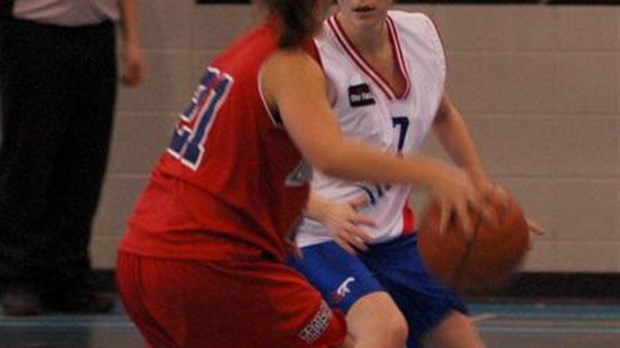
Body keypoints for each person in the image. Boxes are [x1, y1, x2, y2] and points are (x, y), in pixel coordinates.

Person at [114, 0, 492, 347]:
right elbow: (330, 156)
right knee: (353, 337)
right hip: (210, 259)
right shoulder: (292, 62)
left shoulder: (246, 50)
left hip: (142, 255)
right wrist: (434, 173)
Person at [290, 1, 542, 348]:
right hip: (316, 236)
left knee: (460, 337)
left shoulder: (418, 36)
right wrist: (322, 209)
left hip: (389, 237)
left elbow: (443, 114)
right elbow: (267, 169)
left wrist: (480, 188)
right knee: (386, 329)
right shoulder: (312, 59)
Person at [0, 0, 144, 316]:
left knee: (84, 163)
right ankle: (19, 276)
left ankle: (67, 277)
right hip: (33, 33)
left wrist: (131, 39)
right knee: (28, 161)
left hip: (95, 34)